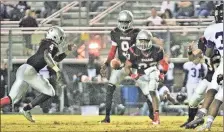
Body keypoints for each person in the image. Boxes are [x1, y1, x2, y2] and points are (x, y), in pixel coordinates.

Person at [0, 26, 66, 122]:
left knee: (10, 99)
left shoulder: (46, 44)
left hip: (23, 69)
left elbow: (55, 59)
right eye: (61, 37)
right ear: (56, 36)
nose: (61, 40)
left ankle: (26, 109)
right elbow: (47, 56)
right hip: (30, 71)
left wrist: (67, 51)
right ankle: (26, 109)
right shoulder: (50, 44)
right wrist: (57, 70)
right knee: (50, 92)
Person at [185, 3, 223, 130]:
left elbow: (208, 52)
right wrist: (190, 51)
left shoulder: (212, 32)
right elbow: (194, 58)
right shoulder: (206, 41)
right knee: (199, 99)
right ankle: (194, 121)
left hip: (219, 72)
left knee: (216, 95)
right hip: (211, 75)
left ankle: (202, 120)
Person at [100, 10, 140, 123]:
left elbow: (137, 51)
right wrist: (106, 63)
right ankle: (107, 117)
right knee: (110, 87)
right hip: (121, 65)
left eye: (126, 22)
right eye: (121, 21)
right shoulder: (115, 32)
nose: (123, 24)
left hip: (134, 64)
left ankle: (153, 115)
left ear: (130, 22)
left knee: (147, 89)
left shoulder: (136, 32)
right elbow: (113, 51)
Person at [124, 30, 167, 124]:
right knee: (152, 97)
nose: (143, 43)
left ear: (149, 41)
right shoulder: (133, 50)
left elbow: (164, 65)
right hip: (141, 77)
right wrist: (132, 75)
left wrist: (162, 74)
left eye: (145, 41)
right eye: (141, 41)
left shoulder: (157, 50)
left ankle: (157, 117)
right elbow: (127, 67)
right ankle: (156, 114)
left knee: (152, 89)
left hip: (153, 72)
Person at [180, 39, 220, 128]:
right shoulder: (204, 48)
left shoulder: (220, 49)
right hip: (208, 78)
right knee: (193, 101)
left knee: (216, 101)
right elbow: (192, 60)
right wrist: (190, 51)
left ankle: (203, 120)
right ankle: (191, 120)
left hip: (219, 80)